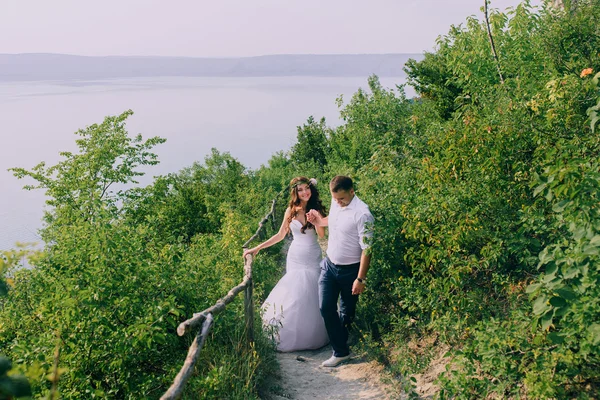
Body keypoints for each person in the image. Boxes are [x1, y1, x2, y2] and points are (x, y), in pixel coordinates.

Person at [243, 177, 329, 352]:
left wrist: (316, 220)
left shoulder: (316, 209)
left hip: (312, 254)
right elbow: (280, 235)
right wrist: (257, 248)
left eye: (307, 189)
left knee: (312, 291)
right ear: (295, 192)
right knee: (295, 292)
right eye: (301, 190)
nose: (305, 192)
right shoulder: (290, 210)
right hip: (296, 256)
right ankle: (287, 333)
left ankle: (313, 333)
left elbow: (321, 236)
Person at [307, 175, 374, 367]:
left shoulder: (362, 214)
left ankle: (341, 346)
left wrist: (360, 279)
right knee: (326, 307)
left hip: (351, 270)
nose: (337, 202)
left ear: (352, 192)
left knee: (347, 312)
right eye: (334, 198)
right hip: (329, 265)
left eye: (342, 199)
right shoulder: (336, 201)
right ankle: (340, 350)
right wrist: (319, 221)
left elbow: (367, 249)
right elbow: (333, 220)